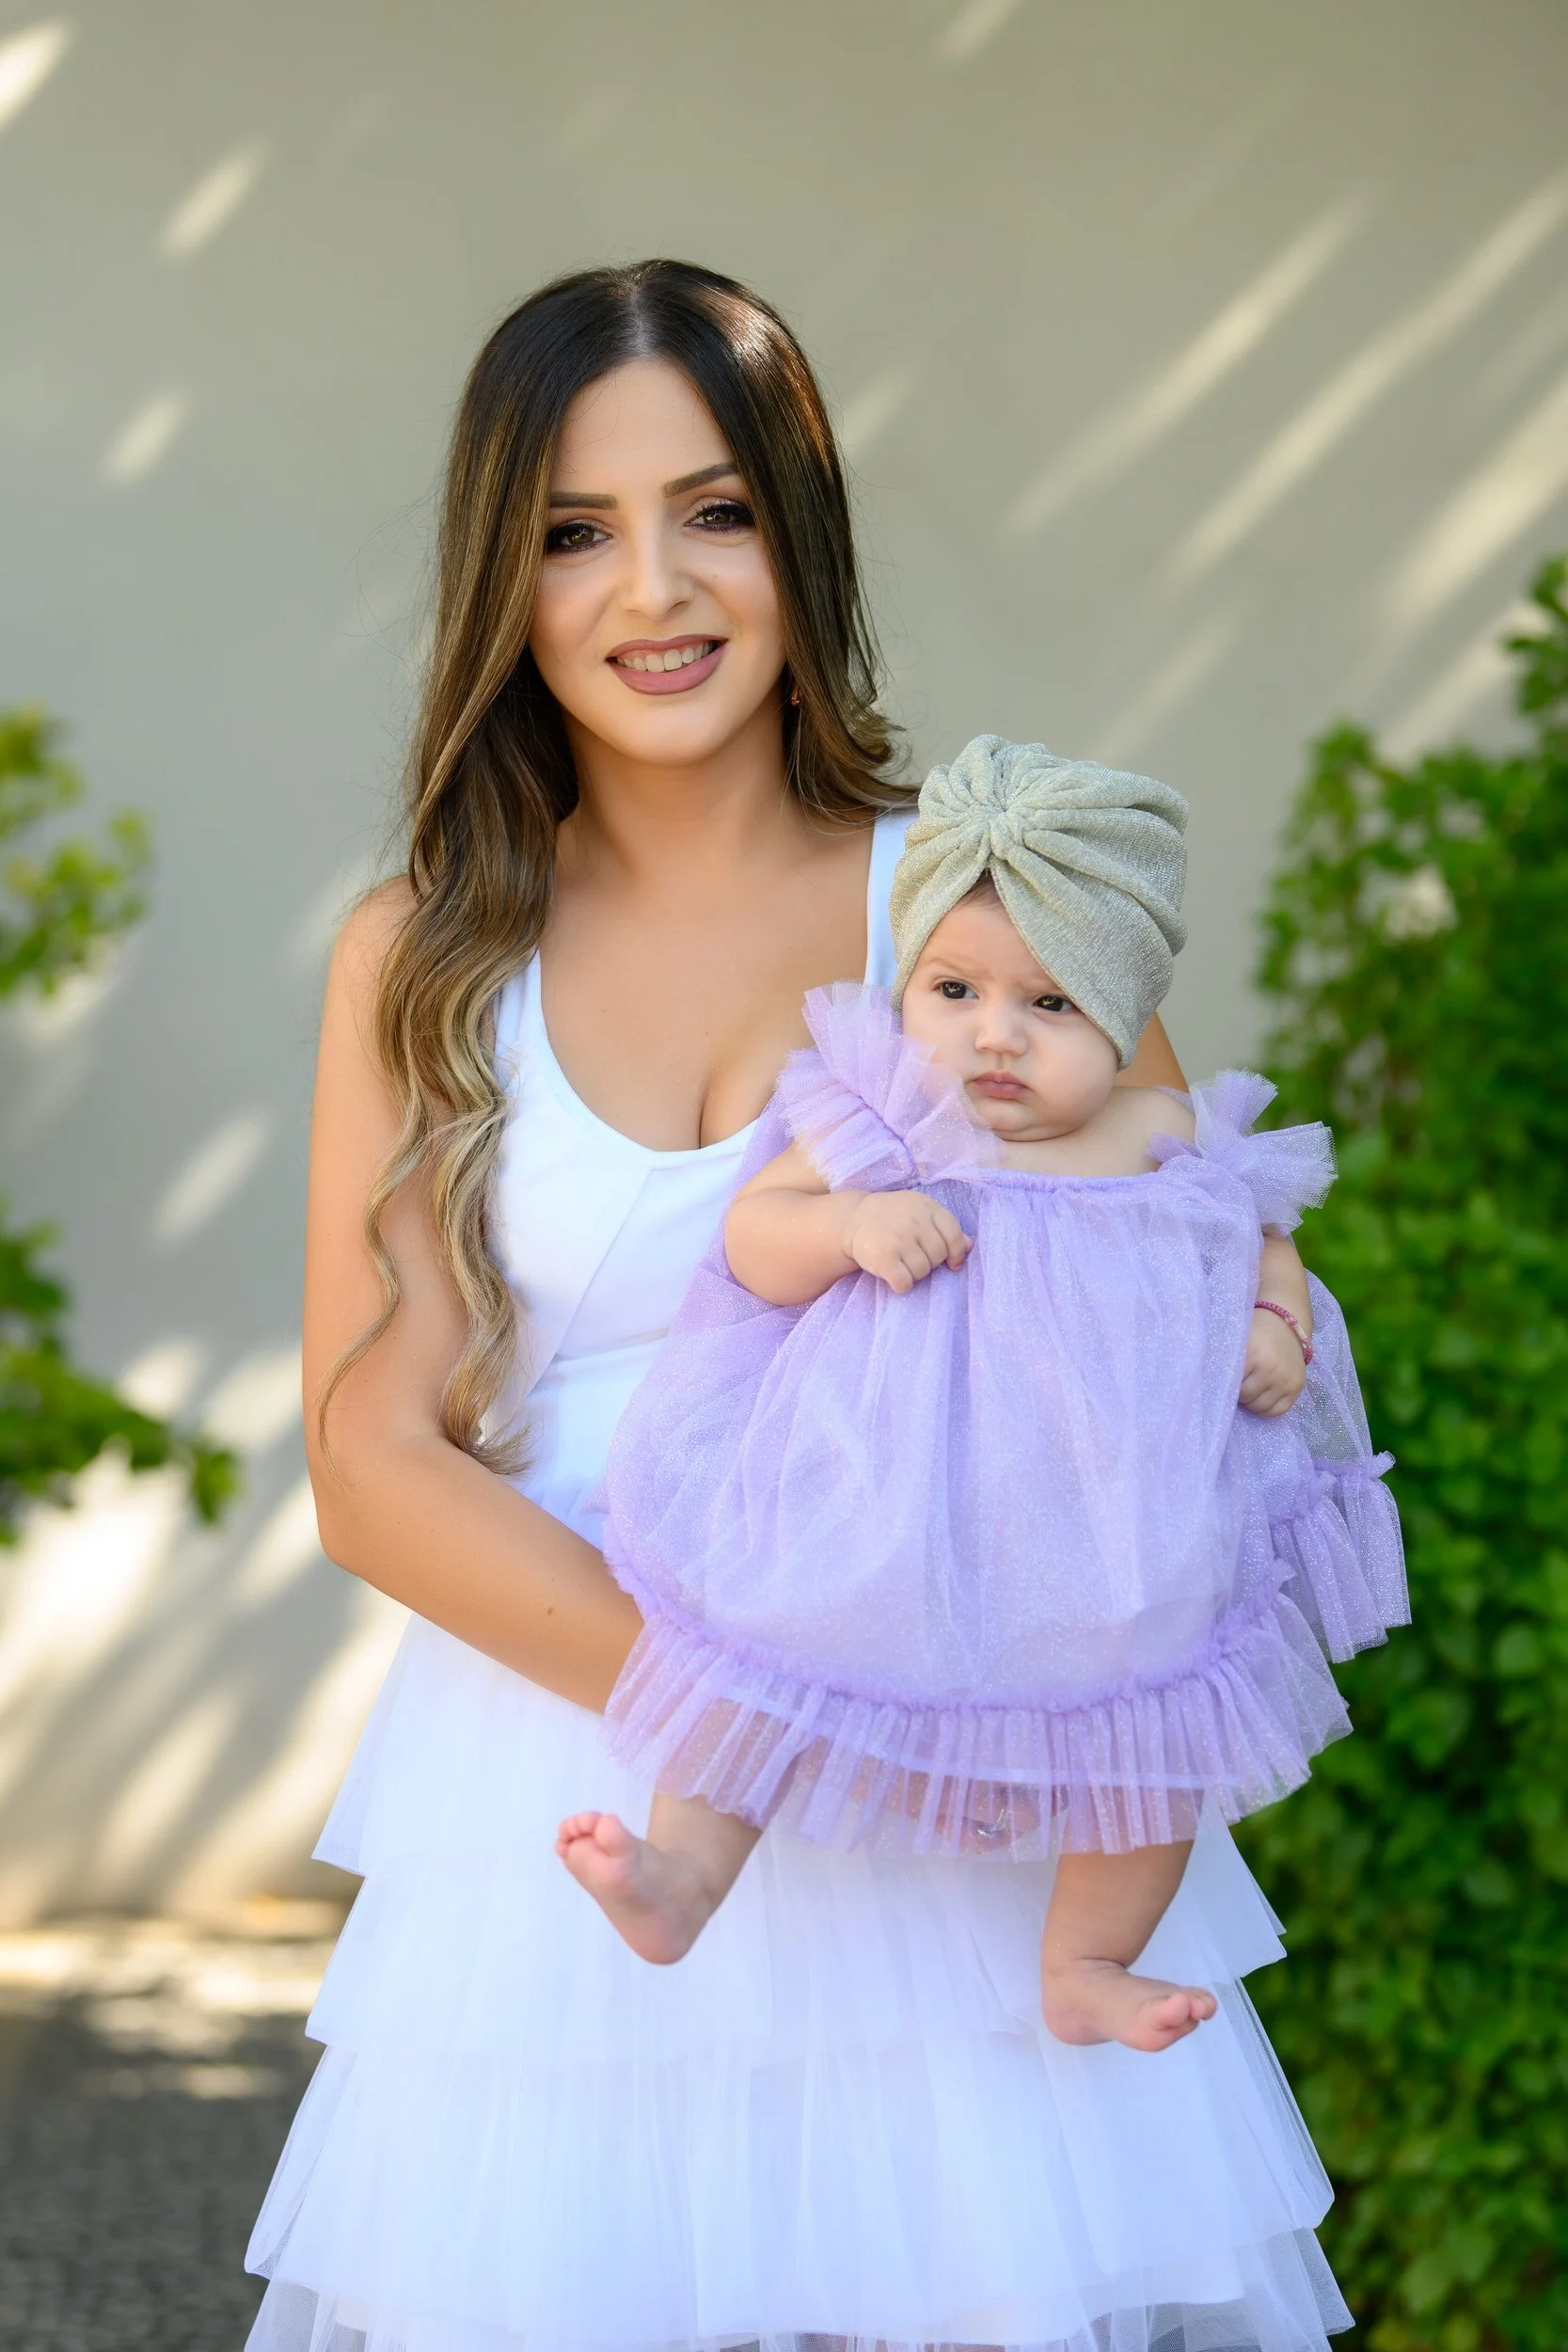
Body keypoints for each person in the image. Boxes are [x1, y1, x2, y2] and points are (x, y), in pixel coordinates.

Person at [249, 260, 1364, 2352]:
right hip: (588, 1780)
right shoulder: (415, 953)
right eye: (574, 531)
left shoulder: (968, 907)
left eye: (714, 510)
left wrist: (933, 1689)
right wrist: (749, 1696)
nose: (650, 587)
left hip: (968, 1759)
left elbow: (1181, 1261)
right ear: (503, 571)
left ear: (800, 534)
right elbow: (370, 1459)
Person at [557, 738, 1408, 2058]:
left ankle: (1084, 1962)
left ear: (1120, 1025)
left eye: (1051, 1006)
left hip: (1099, 1532)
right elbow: (750, 1244)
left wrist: (1271, 1326)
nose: (993, 1035)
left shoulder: (1156, 1137)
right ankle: (681, 1877)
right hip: (878, 1497)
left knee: (1156, 1733)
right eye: (953, 989)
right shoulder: (875, 1113)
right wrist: (844, 1226)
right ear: (909, 986)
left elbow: (1267, 1237)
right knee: (754, 1643)